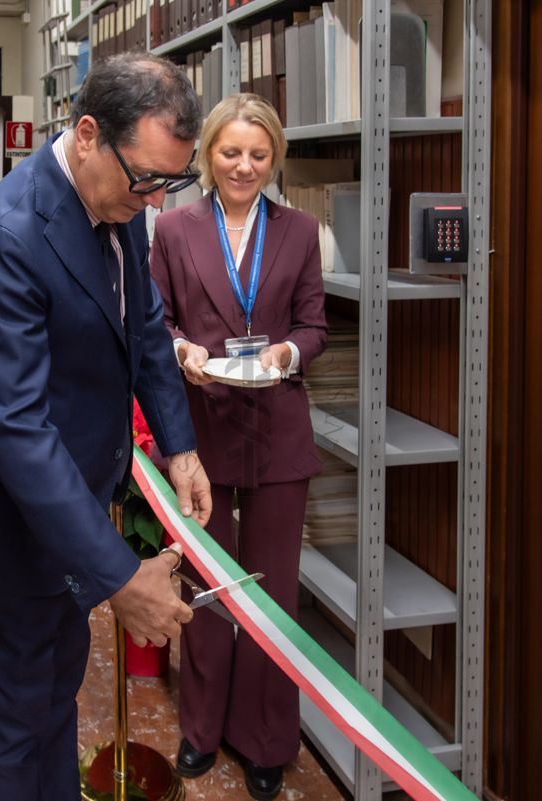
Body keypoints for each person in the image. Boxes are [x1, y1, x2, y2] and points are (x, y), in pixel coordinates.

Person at [0, 52, 213, 801]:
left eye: (170, 184)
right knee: (13, 720)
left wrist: (178, 444)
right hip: (8, 524)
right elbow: (15, 428)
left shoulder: (121, 206)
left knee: (54, 697)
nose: (152, 200)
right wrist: (119, 573)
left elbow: (144, 325)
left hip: (76, 505)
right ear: (87, 134)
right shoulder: (6, 237)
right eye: (144, 178)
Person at [149, 93, 328, 801]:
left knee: (273, 593)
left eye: (259, 154)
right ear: (208, 155)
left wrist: (287, 350)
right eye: (231, 152)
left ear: (274, 157)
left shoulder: (301, 229)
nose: (245, 166)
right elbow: (155, 323)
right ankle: (200, 728)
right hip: (204, 426)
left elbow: (314, 324)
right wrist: (181, 347)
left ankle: (265, 739)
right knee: (208, 586)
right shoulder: (173, 229)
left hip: (279, 428)